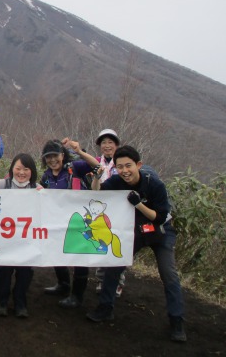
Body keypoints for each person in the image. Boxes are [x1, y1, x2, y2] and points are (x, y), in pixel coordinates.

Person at [87, 145, 186, 343]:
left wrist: (138, 203)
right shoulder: (117, 181)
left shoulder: (155, 184)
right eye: (120, 166)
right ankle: (105, 308)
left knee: (169, 274)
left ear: (138, 165)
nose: (124, 170)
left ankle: (177, 321)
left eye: (129, 166)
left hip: (161, 231)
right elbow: (97, 196)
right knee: (114, 264)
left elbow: (159, 217)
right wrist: (97, 178)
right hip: (137, 230)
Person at [0, 153, 42, 318]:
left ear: (32, 171)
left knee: (25, 273)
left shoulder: (37, 188)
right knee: (3, 271)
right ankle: (0, 302)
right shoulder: (3, 184)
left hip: (26, 240)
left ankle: (20, 302)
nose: (22, 172)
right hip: (5, 240)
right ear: (12, 169)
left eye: (26, 169)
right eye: (18, 168)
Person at [39, 139, 93, 309]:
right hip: (57, 221)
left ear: (62, 155)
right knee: (56, 251)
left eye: (55, 155)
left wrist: (80, 151)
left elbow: (96, 165)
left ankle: (77, 296)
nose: (52, 160)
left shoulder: (75, 167)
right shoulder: (46, 176)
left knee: (80, 257)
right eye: (48, 157)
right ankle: (63, 285)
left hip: (80, 221)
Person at [90, 129, 127, 297]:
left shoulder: (124, 163)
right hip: (102, 208)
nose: (107, 146)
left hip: (121, 208)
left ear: (116, 145)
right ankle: (100, 279)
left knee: (119, 241)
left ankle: (118, 282)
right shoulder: (97, 162)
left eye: (110, 142)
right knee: (102, 241)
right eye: (103, 143)